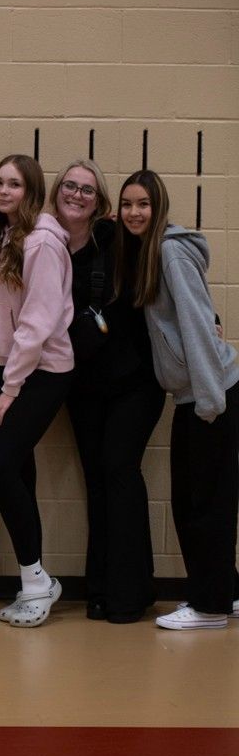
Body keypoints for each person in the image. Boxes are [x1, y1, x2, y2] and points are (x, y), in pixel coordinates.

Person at [113, 169, 239, 631]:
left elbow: (197, 326)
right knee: (204, 499)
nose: (134, 213)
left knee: (201, 505)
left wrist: (207, 400)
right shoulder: (152, 249)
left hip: (209, 394)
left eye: (143, 204)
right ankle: (226, 591)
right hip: (198, 393)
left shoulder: (168, 251)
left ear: (159, 206)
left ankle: (209, 608)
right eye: (127, 204)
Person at [51, 159, 165, 624]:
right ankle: (100, 591)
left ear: (99, 203)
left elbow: (165, 246)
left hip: (135, 383)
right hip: (83, 387)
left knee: (120, 475)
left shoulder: (115, 236)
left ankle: (129, 595)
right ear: (57, 194)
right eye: (70, 187)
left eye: (88, 191)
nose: (77, 196)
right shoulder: (48, 245)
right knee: (98, 484)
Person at [0, 155, 74, 627]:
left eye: (15, 184)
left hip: (40, 372)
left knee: (3, 467)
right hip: (1, 368)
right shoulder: (5, 235)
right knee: (19, 473)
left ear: (32, 190)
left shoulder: (42, 241)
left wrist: (11, 387)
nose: (4, 190)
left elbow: (37, 322)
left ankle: (36, 581)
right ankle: (35, 580)